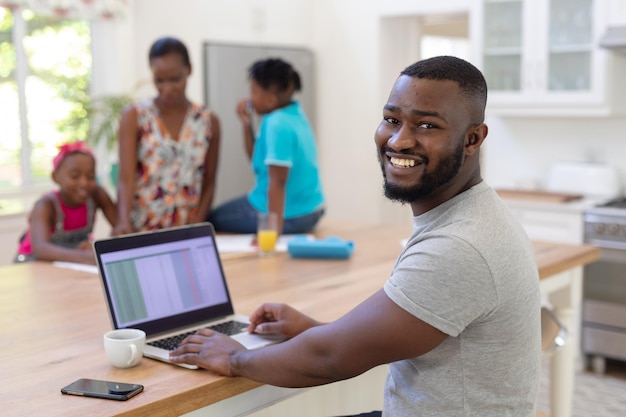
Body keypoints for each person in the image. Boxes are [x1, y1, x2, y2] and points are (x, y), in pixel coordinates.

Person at [171, 56, 541, 416]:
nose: (399, 140)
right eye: (391, 119)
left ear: (473, 139)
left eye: (426, 126)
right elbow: (397, 332)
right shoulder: (470, 214)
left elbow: (329, 359)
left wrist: (234, 357)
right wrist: (315, 330)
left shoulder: (460, 247)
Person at [114, 36, 220, 235]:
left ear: (189, 70)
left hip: (187, 229)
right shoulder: (136, 116)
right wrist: (122, 221)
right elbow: (126, 178)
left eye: (175, 80)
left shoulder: (208, 121)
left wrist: (198, 223)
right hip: (143, 228)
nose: (167, 89)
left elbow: (209, 180)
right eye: (159, 80)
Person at [207, 58, 324, 234]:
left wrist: (271, 230)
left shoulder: (276, 124)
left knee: (212, 219)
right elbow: (256, 158)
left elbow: (278, 181)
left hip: (289, 216)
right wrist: (246, 124)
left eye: (253, 92)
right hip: (312, 212)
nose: (250, 98)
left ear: (270, 100)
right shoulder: (295, 114)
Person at [15, 141, 117, 265]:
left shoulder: (96, 196)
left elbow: (120, 227)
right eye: (75, 176)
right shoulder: (45, 205)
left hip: (70, 262)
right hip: (34, 263)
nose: (84, 183)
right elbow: (41, 250)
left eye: (90, 176)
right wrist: (87, 256)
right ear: (55, 177)